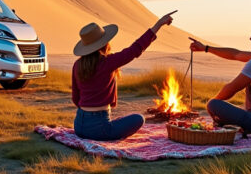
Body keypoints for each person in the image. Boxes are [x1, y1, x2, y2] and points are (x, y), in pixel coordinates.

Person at [72, 11, 176, 141]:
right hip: (100, 129)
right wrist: (159, 24)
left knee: (123, 121)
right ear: (105, 44)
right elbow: (135, 49)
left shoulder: (77, 65)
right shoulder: (107, 62)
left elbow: (76, 98)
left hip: (79, 126)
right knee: (139, 119)